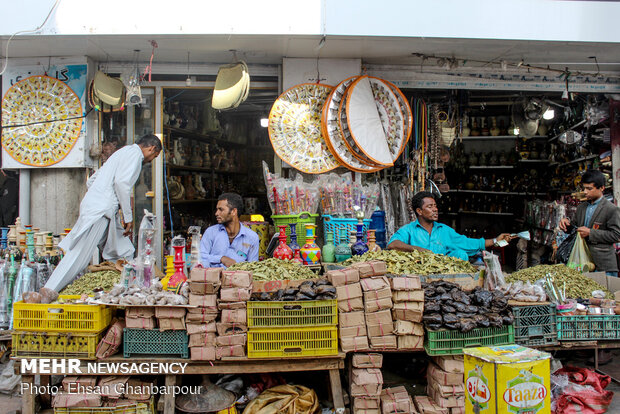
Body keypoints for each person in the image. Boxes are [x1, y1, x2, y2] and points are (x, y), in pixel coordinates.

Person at [45, 134, 162, 292]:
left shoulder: (122, 152)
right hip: (101, 209)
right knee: (79, 255)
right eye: (154, 156)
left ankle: (132, 289)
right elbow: (121, 183)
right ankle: (49, 290)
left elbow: (91, 181)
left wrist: (102, 196)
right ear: (152, 148)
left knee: (123, 250)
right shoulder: (135, 155)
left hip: (102, 207)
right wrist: (128, 216)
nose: (152, 159)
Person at [388, 191, 513, 261]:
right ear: (419, 211)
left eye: (435, 206)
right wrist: (418, 249)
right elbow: (393, 244)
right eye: (430, 207)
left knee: (460, 253)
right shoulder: (409, 230)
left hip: (443, 274)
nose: (435, 210)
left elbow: (467, 243)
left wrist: (496, 240)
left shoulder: (444, 230)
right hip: (417, 275)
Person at [559, 170, 620, 276]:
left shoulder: (611, 209)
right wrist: (566, 224)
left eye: (589, 188)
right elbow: (575, 229)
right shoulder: (581, 208)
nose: (585, 192)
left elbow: (616, 235)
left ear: (601, 188)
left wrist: (591, 233)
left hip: (604, 264)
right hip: (583, 262)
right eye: (584, 188)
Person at [200, 192, 259, 268]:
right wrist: (221, 259)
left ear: (233, 211)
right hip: (213, 278)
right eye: (217, 209)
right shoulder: (211, 232)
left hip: (238, 278)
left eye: (221, 210)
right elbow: (200, 257)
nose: (216, 213)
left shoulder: (252, 237)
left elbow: (253, 267)